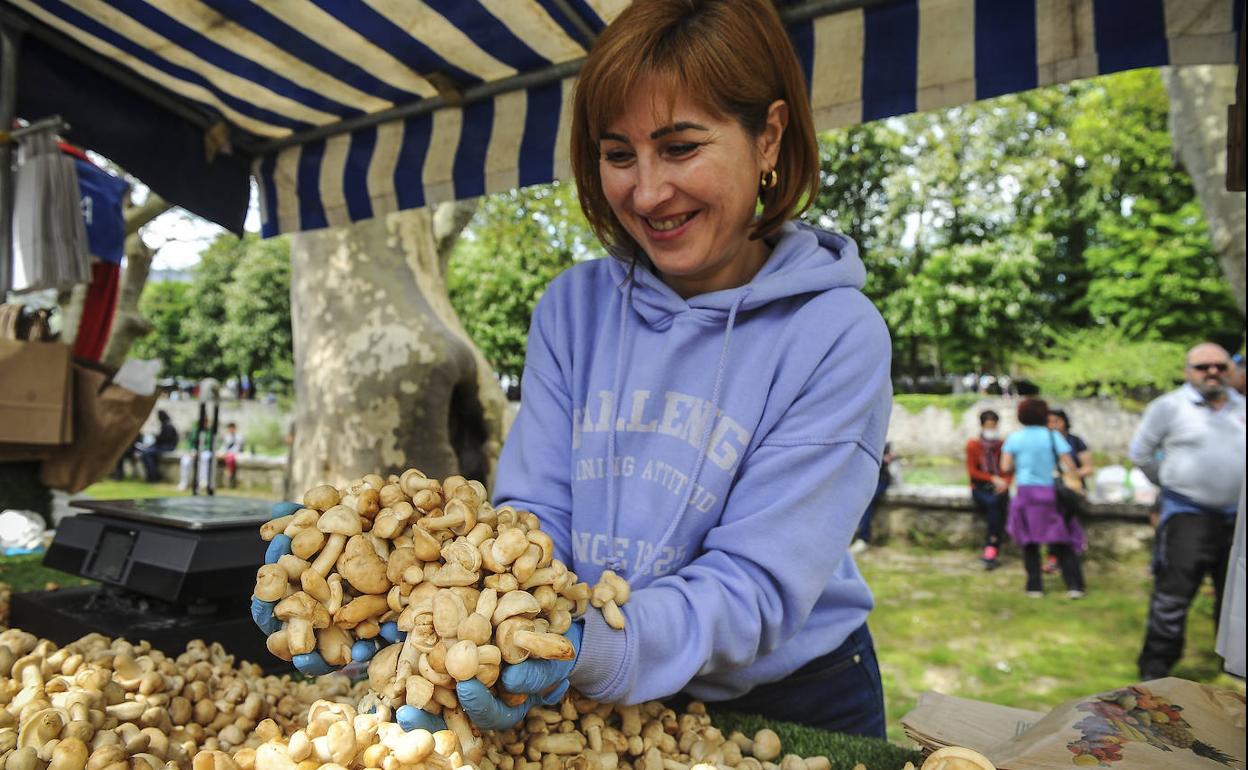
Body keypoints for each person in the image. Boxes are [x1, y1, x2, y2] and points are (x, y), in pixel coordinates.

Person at [255, 0, 891, 737]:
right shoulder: (574, 309)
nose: (647, 193)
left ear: (768, 136)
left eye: (680, 147)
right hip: (595, 684)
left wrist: (588, 644)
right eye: (619, 155)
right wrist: (431, 596)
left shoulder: (836, 334)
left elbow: (753, 589)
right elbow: (536, 518)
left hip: (789, 698)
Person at [1129, 342, 1246, 681]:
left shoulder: (1241, 406)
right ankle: (1155, 673)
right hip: (1187, 515)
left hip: (1238, 521)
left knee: (1235, 599)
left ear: (1231, 370)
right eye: (1203, 366)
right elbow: (1141, 454)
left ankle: (1233, 668)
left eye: (1220, 366)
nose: (1213, 372)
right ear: (1187, 371)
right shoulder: (1168, 407)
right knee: (1172, 596)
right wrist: (1169, 485)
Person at [1000, 398, 1087, 598]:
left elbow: (1005, 467)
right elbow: (1070, 465)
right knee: (1062, 538)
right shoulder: (1052, 437)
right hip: (1050, 493)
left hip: (1025, 493)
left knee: (1029, 542)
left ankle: (1034, 586)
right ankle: (1074, 586)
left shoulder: (1014, 438)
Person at [1044, 408, 1093, 573]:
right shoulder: (1046, 442)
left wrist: (1070, 476)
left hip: (1072, 488)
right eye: (1049, 422)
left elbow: (1088, 468)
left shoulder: (1076, 442)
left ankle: (1067, 552)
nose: (1053, 425)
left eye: (1056, 421)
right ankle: (1055, 555)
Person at [966, 410, 1011, 570]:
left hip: (999, 487)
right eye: (988, 425)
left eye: (994, 425)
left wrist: (1004, 482)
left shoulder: (1003, 445)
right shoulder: (973, 445)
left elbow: (1008, 469)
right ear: (982, 426)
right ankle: (992, 546)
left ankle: (991, 548)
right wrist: (992, 479)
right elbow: (972, 471)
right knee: (994, 505)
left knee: (999, 502)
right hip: (981, 487)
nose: (991, 429)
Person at [851, 442, 895, 553]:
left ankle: (863, 538)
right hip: (864, 476)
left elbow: (887, 459)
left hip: (881, 478)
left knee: (867, 501)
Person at [138, 410, 179, 482]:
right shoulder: (166, 425)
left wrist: (157, 437)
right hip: (164, 446)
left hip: (168, 447)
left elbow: (166, 439)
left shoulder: (168, 426)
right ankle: (151, 474)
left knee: (147, 454)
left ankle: (153, 475)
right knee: (146, 452)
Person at [218, 422, 245, 488]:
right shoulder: (226, 436)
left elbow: (238, 448)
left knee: (230, 458)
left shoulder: (239, 437)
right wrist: (221, 453)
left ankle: (230, 474)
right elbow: (224, 446)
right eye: (230, 428)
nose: (231, 430)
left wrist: (228, 453)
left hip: (234, 453)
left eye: (232, 428)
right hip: (226, 452)